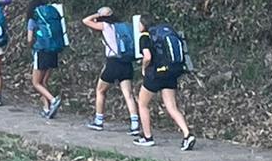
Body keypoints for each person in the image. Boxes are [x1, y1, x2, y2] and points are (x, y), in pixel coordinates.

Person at [135, 21, 196, 150]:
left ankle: (147, 137)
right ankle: (187, 134)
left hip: (155, 75)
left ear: (143, 24)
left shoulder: (145, 36)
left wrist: (144, 68)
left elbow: (147, 57)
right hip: (171, 73)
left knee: (142, 104)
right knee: (172, 107)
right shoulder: (164, 32)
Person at [82, 8, 140, 135]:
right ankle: (135, 124)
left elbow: (85, 20)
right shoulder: (124, 26)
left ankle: (99, 120)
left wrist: (98, 14)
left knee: (100, 90)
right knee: (128, 95)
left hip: (113, 63)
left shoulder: (105, 26)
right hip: (126, 62)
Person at [26, 0, 67, 118]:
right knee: (43, 82)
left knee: (36, 82)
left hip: (41, 51)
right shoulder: (51, 15)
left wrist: (31, 46)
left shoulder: (33, 19)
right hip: (53, 50)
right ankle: (47, 108)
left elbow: (29, 39)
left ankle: (53, 100)